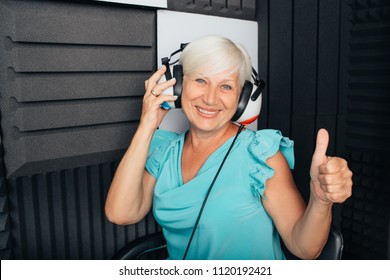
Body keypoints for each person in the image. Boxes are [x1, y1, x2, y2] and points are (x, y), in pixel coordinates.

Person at [105, 35, 353, 260]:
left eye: (226, 86)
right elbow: (121, 213)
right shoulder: (165, 151)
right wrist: (146, 127)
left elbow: (305, 248)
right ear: (178, 85)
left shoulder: (260, 155)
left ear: (242, 99)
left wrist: (321, 202)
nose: (210, 98)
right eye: (201, 80)